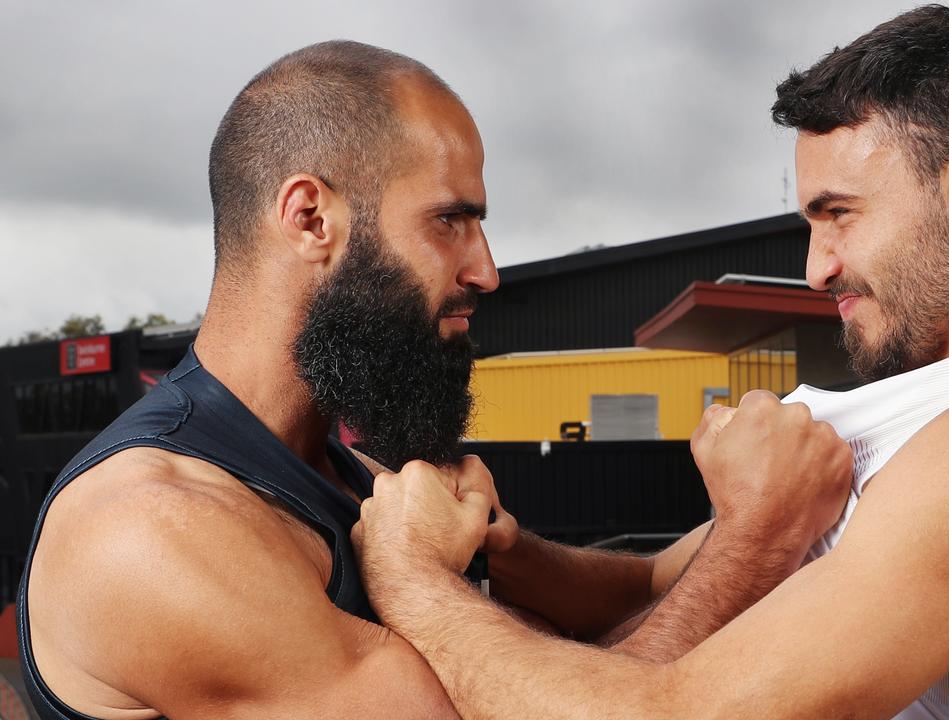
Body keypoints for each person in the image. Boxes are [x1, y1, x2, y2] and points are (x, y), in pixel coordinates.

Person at [352, 7, 949, 719]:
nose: (818, 267)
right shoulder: (945, 411)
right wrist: (510, 550)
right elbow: (649, 585)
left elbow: (672, 712)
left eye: (841, 215)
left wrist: (412, 577)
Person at [18, 41, 854, 719]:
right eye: (451, 220)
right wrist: (757, 540)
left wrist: (763, 508)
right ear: (312, 219)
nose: (487, 271)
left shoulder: (355, 483)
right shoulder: (153, 529)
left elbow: (595, 638)